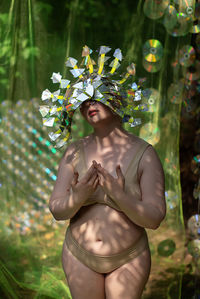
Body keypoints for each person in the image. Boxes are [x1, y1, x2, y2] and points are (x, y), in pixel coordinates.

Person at [42, 46, 166, 299]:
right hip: (79, 254)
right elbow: (56, 210)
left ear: (116, 98)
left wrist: (120, 196)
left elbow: (154, 219)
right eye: (83, 101)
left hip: (129, 257)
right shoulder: (74, 152)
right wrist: (77, 197)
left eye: (96, 96)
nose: (89, 104)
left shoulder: (145, 153)